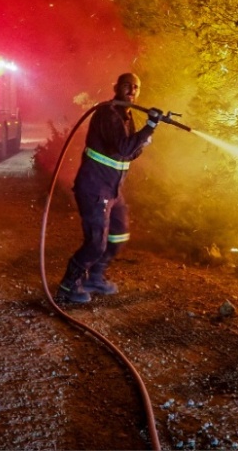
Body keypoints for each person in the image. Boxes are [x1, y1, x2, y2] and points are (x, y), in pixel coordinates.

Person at [56, 73, 162, 305]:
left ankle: (94, 277)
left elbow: (130, 152)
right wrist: (149, 127)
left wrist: (144, 138)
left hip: (112, 190)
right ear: (116, 87)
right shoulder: (108, 113)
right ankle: (68, 286)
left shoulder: (127, 114)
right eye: (127, 85)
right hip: (95, 188)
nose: (132, 90)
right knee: (95, 243)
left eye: (136, 87)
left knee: (119, 235)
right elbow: (124, 148)